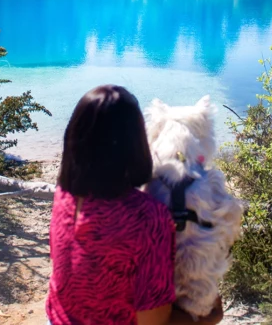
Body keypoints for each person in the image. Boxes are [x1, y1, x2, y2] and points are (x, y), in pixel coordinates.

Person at [46, 85, 223, 325]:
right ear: (135, 144)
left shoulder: (64, 194)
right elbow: (153, 322)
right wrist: (205, 320)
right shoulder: (147, 218)